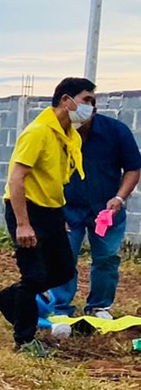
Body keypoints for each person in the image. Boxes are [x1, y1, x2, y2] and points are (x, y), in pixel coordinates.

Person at [0, 78, 94, 356]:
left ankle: (6, 298)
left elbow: (57, 179)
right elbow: (17, 179)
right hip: (27, 209)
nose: (91, 107)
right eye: (86, 100)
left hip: (51, 212)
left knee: (64, 270)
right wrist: (23, 223)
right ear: (66, 100)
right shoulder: (38, 132)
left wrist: (59, 215)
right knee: (34, 276)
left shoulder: (69, 135)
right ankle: (24, 341)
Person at [47, 92, 140, 321]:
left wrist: (119, 198)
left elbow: (133, 168)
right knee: (64, 256)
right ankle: (60, 309)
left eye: (87, 105)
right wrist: (53, 209)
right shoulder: (55, 133)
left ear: (95, 111)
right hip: (67, 208)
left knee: (107, 257)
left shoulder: (116, 131)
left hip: (107, 209)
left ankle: (99, 306)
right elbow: (42, 172)